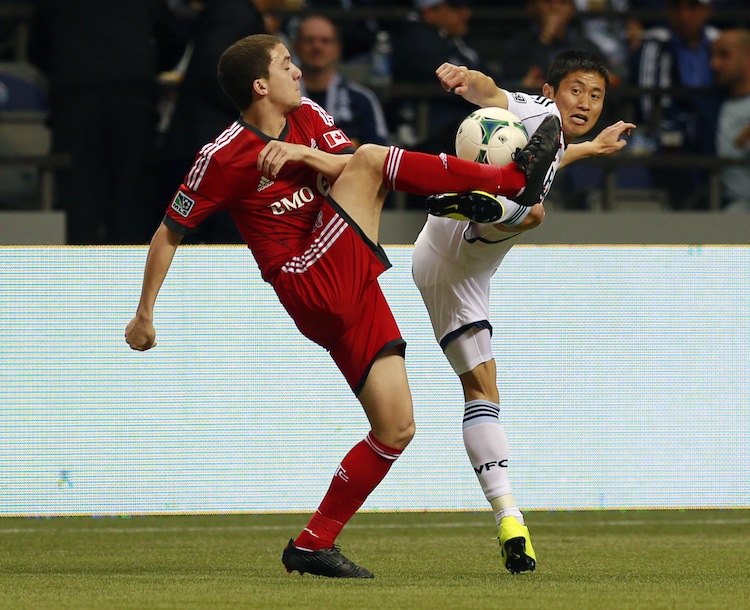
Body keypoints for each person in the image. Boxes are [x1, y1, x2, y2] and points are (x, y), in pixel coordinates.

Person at [125, 33, 561, 578]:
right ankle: (510, 181)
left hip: (347, 276)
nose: (298, 71)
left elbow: (343, 164)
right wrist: (144, 313)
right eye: (286, 64)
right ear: (260, 85)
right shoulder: (221, 156)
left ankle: (313, 542)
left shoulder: (307, 116)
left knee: (396, 427)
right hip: (308, 278)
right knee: (377, 160)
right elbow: (170, 231)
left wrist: (306, 154)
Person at [412, 50, 635, 573]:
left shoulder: (553, 138)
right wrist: (466, 77)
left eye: (596, 95)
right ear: (552, 91)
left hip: (450, 266)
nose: (585, 101)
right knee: (534, 212)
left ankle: (509, 518)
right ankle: (486, 211)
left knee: (482, 393)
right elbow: (492, 93)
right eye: (576, 89)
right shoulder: (537, 112)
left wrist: (590, 149)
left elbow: (552, 157)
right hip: (465, 243)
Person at [27, 0, 184, 244]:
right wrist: (146, 66)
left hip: (77, 99)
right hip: (132, 99)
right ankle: (126, 273)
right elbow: (173, 38)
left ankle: (79, 272)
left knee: (79, 192)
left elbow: (36, 49)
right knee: (130, 192)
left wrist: (69, 70)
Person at [159, 0, 286, 244]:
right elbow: (215, 69)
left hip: (206, 147)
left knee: (204, 243)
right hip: (210, 150)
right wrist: (256, 105)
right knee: (223, 243)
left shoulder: (234, 11)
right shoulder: (235, 12)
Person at [628, 0, 721, 210]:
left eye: (692, 7)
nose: (684, 15)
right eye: (676, 8)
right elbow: (648, 107)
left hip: (714, 131)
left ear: (707, 10)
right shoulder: (655, 44)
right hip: (670, 136)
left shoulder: (719, 42)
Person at [390, 0, 496, 155]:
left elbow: (489, 76)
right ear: (429, 12)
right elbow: (450, 84)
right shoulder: (415, 38)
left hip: (459, 121)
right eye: (455, 7)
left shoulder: (454, 38)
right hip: (429, 130)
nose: (465, 14)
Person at [293, 13, 389, 147]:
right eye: (309, 40)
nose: (317, 47)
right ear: (296, 47)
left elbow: (379, 155)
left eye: (325, 41)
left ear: (337, 48)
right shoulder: (282, 99)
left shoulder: (362, 100)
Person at [500, 0, 605, 91]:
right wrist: (545, 38)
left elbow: (607, 76)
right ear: (532, 7)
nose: (555, 8)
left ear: (571, 9)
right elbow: (510, 83)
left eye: (563, 2)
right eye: (548, 2)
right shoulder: (518, 45)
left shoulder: (585, 45)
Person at [710, 28, 750, 211]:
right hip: (726, 208)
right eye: (712, 56)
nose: (714, 64)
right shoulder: (709, 107)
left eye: (724, 55)